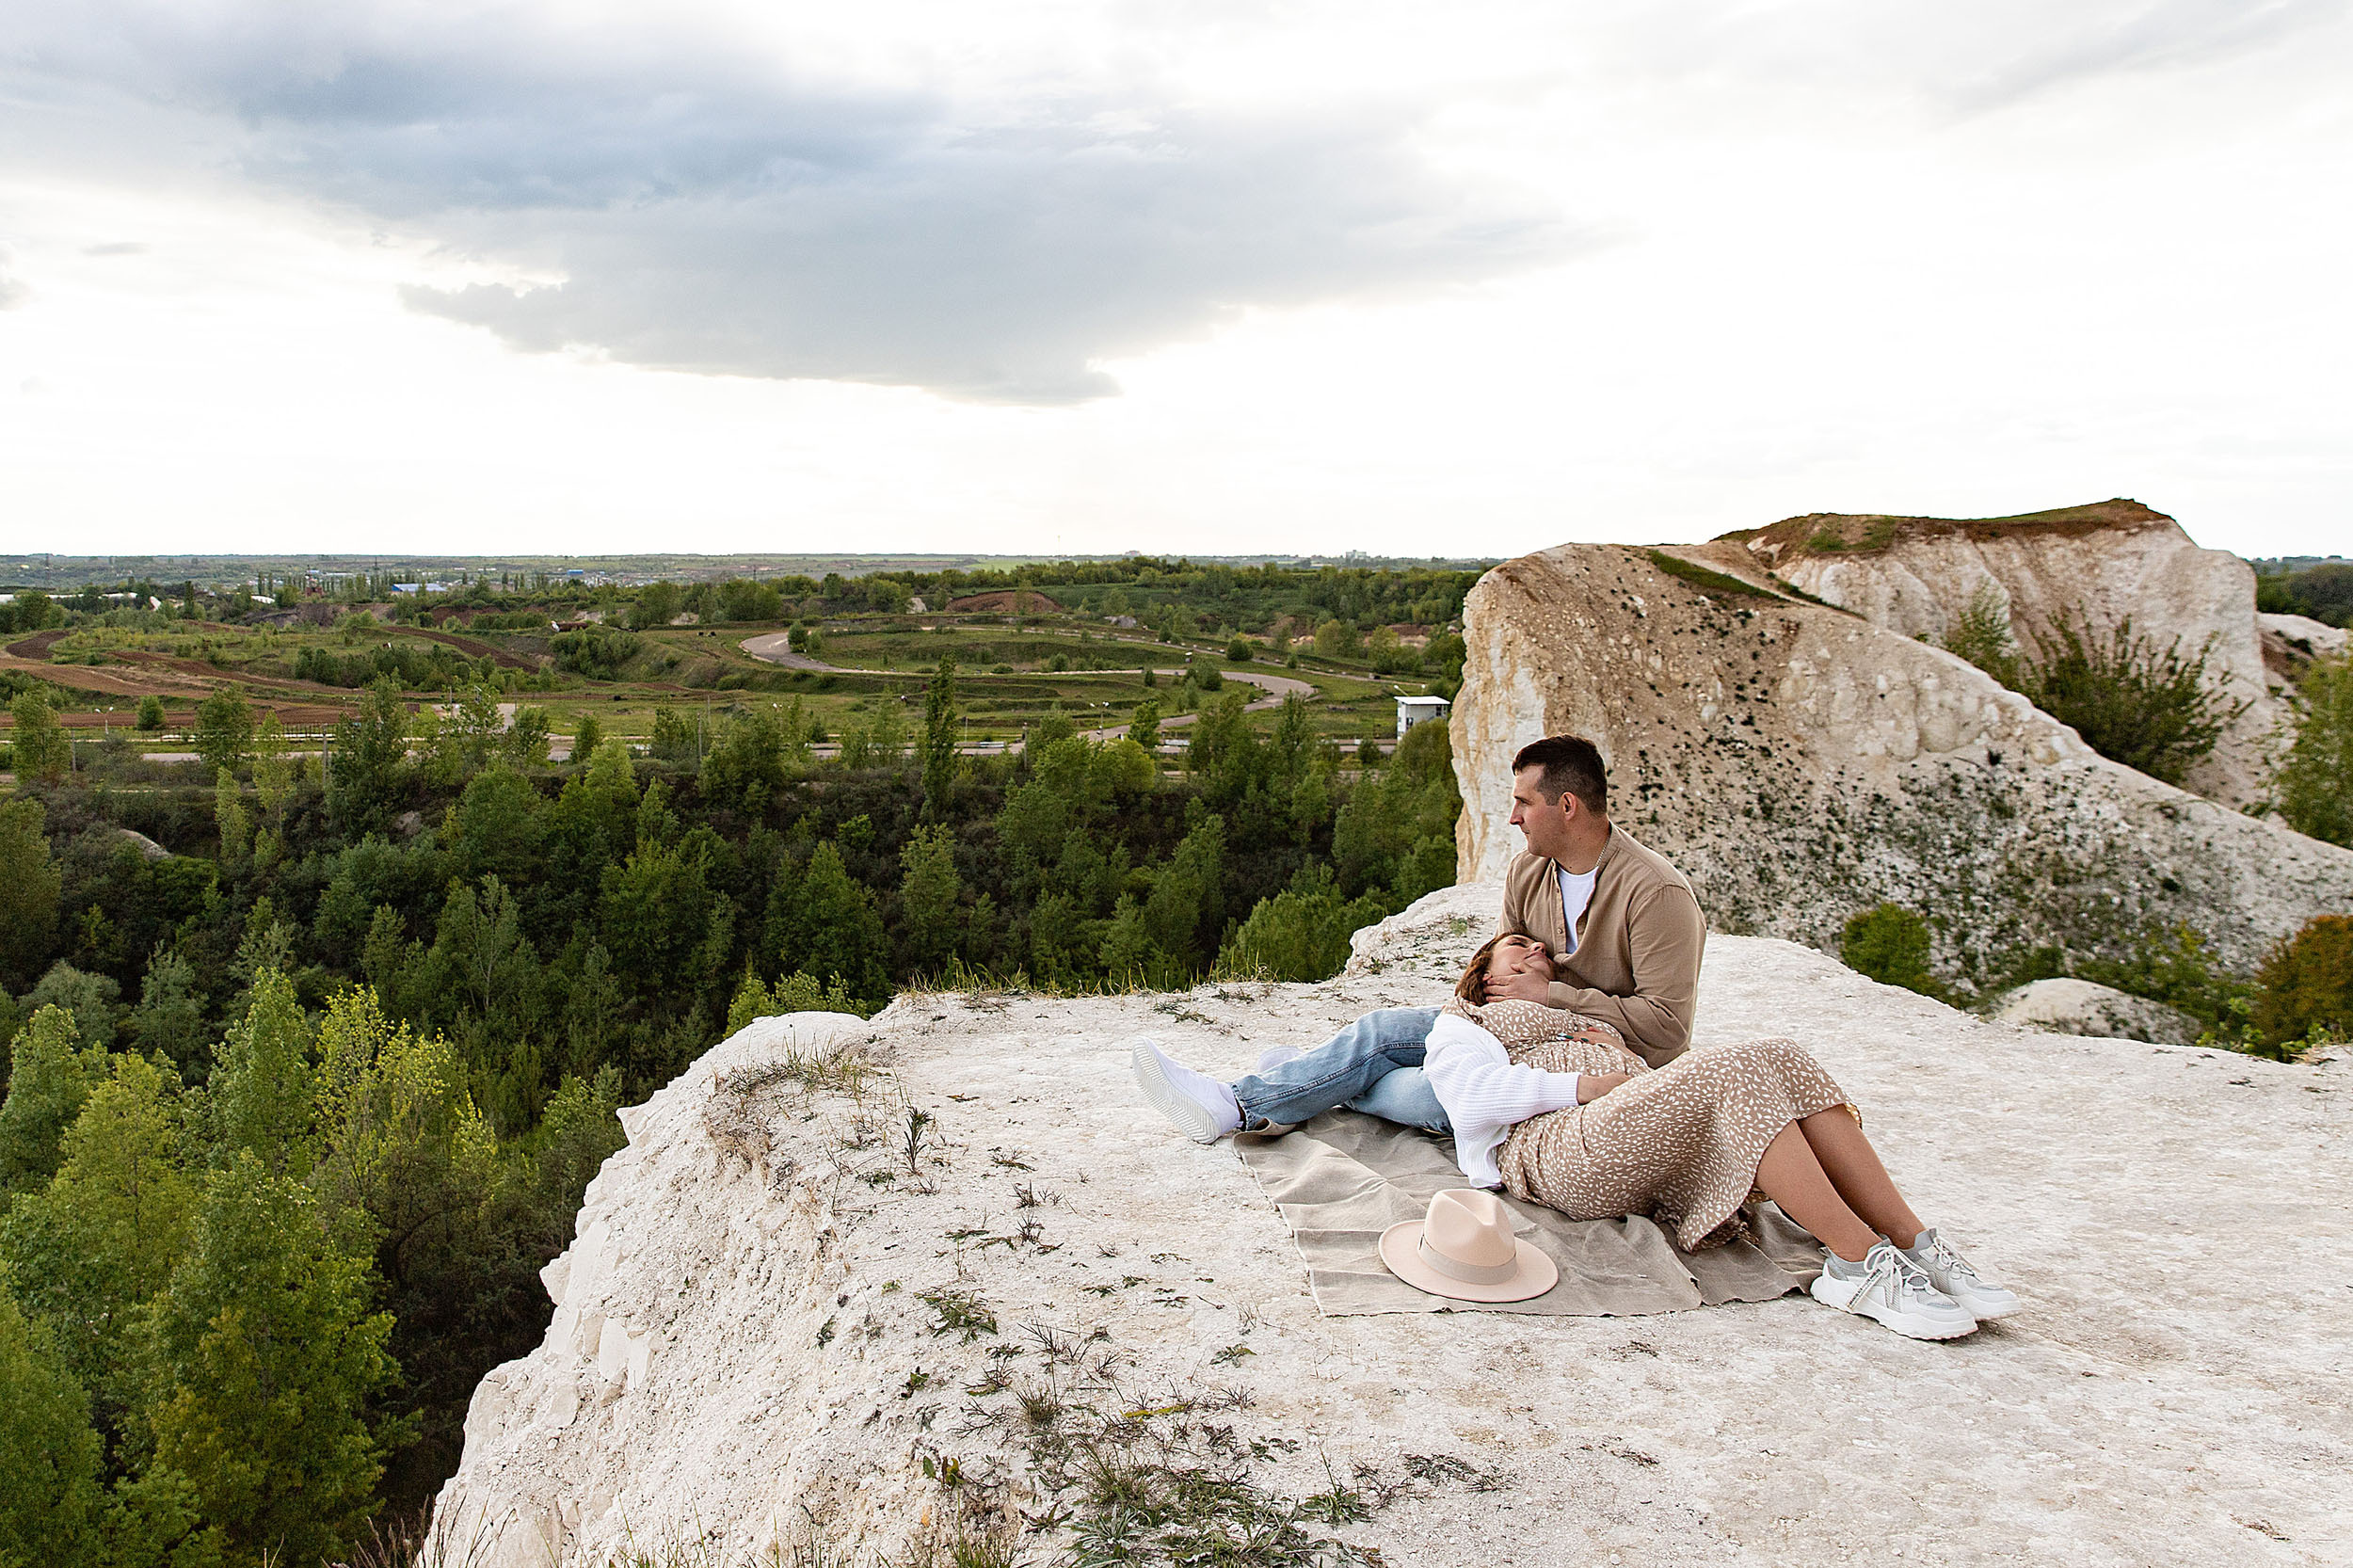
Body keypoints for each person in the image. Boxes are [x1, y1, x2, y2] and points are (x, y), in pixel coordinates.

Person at [1419, 934, 2019, 1340]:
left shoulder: (1586, 1020)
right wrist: (1582, 1085)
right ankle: (1857, 1263)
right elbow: (1468, 1102)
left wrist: (1617, 1065)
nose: (1535, 949)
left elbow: (1656, 1093)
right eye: (1515, 947)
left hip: (1624, 1142)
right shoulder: (1464, 1022)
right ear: (1482, 974)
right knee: (1732, 1067)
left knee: (1777, 1055)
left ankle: (1909, 1241)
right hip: (1552, 1148)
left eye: (1543, 950)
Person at [1132, 733, 1704, 1141]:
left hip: (1583, 1064)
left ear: (1568, 806)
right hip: (1502, 1030)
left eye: (1524, 803)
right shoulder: (1529, 871)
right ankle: (1236, 1103)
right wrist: (1466, 1016)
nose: (1513, 818)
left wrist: (1552, 997)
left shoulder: (1656, 896)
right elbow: (1493, 969)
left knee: (1429, 1094)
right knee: (1382, 1031)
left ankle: (1312, 1079)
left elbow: (1666, 1032)